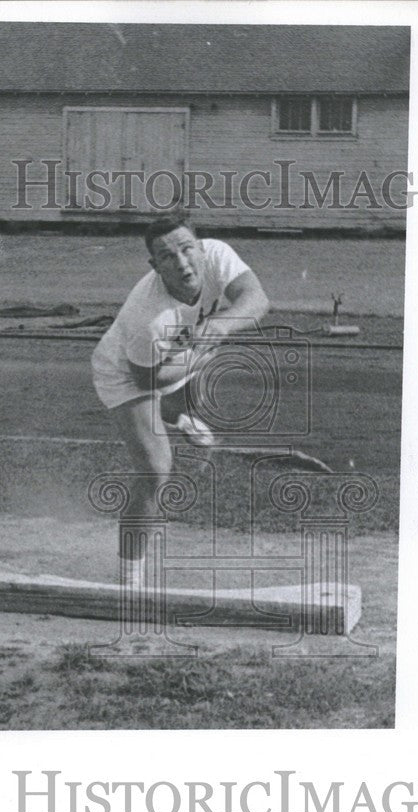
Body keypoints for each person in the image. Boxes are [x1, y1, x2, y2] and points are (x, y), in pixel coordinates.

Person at [92, 210, 270, 586]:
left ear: (200, 247)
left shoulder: (217, 254)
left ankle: (175, 416)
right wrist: (201, 354)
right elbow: (148, 378)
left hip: (176, 354)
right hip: (127, 373)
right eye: (168, 257)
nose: (182, 263)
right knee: (156, 470)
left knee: (190, 388)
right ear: (154, 265)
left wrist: (219, 325)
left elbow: (256, 299)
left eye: (187, 249)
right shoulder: (148, 316)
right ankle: (129, 579)